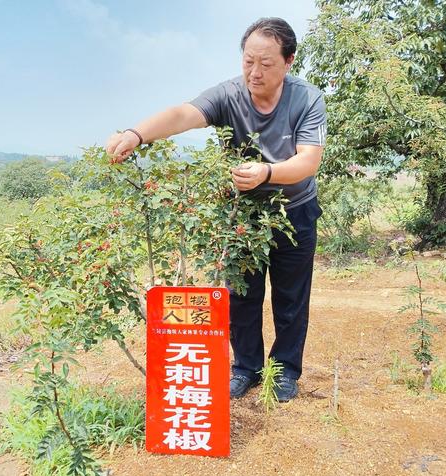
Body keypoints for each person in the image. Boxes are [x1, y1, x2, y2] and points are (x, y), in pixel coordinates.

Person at [106, 17, 327, 402]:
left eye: (266, 64)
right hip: (239, 216)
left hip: (294, 211)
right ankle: (245, 368)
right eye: (247, 61)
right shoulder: (227, 95)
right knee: (241, 296)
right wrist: (135, 134)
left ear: (289, 61)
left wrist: (268, 172)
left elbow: (308, 161)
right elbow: (182, 115)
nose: (254, 72)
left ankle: (286, 371)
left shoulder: (307, 98)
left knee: (291, 297)